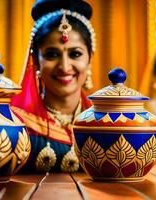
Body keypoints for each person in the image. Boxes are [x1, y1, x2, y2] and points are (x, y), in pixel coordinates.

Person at [10, 0, 95, 172]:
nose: (64, 66)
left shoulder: (104, 124)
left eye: (75, 54)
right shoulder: (15, 126)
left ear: (90, 58)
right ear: (36, 61)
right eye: (52, 54)